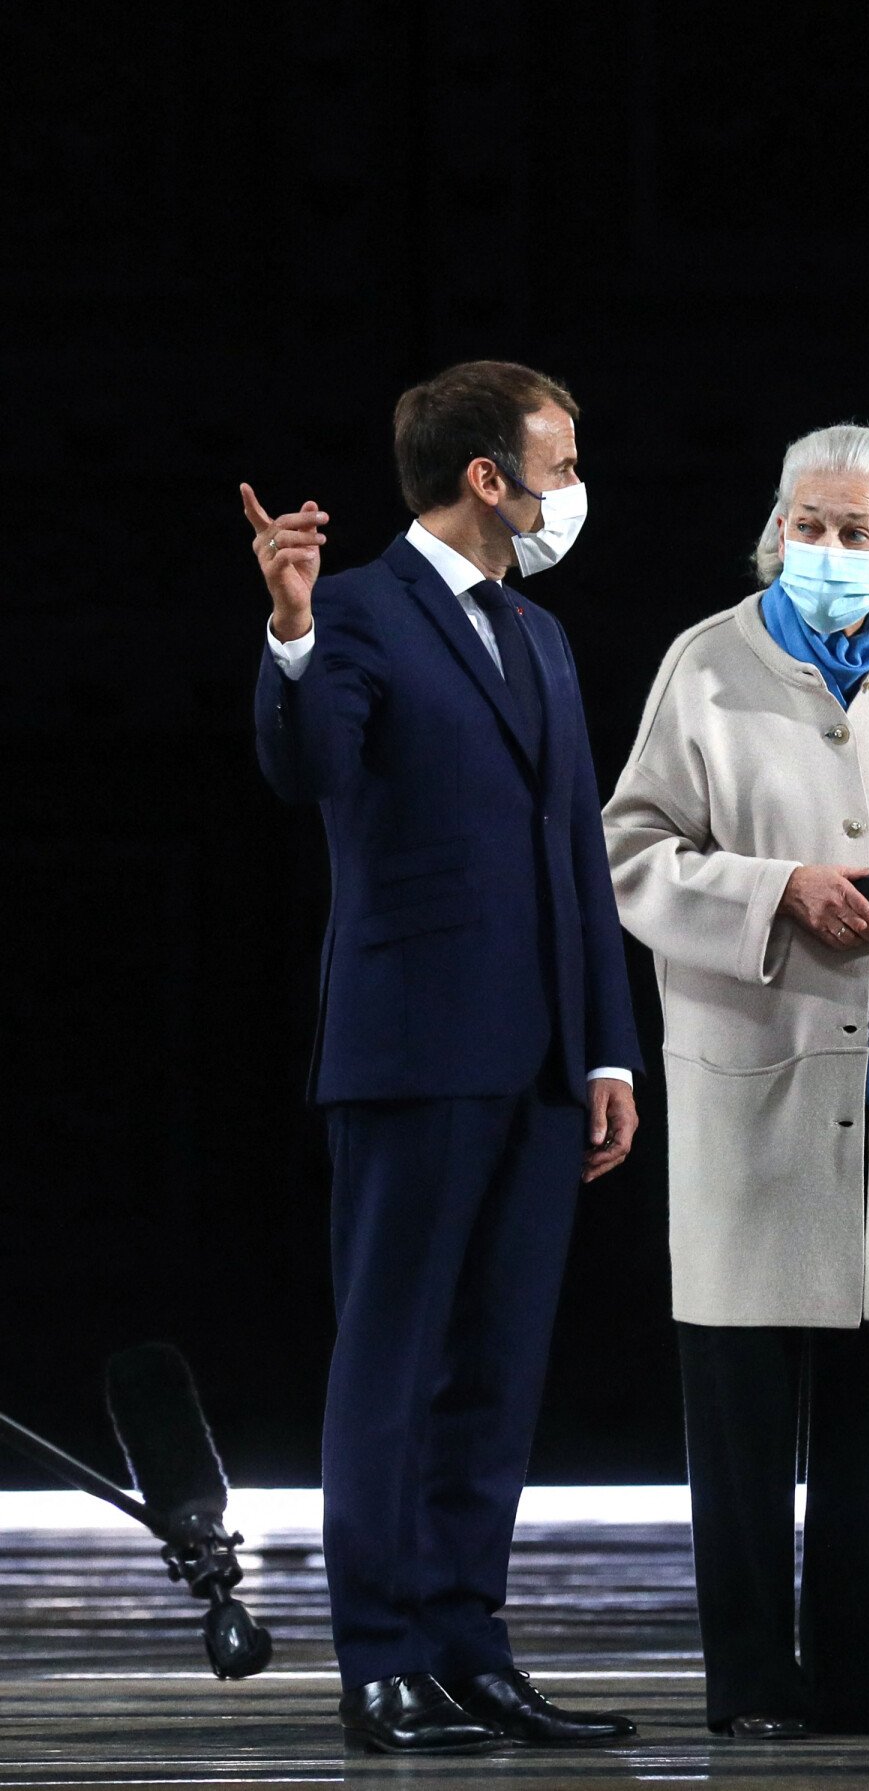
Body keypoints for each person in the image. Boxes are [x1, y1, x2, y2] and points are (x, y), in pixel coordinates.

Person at [603, 423, 869, 1739]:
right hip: (754, 1071)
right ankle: (750, 1682)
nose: (827, 550)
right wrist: (779, 890)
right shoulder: (707, 662)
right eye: (807, 523)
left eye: (853, 531)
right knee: (738, 1409)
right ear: (774, 530)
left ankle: (861, 1671)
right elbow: (632, 848)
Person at [245, 360, 642, 1756]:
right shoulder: (353, 608)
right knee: (395, 1364)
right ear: (490, 475)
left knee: (497, 1371)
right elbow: (311, 771)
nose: (573, 479)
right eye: (561, 454)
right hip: (414, 1049)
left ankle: (472, 1649)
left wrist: (610, 1050)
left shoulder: (537, 630)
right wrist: (289, 632)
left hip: (540, 1058)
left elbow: (577, 857)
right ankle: (382, 1663)